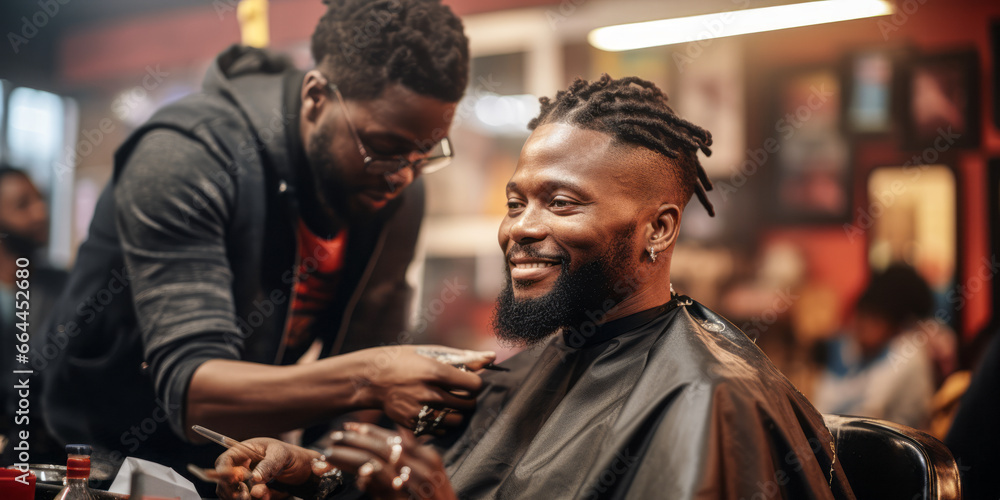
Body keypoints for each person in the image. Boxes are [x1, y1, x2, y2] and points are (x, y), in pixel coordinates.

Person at [213, 75, 856, 500]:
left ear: (658, 229)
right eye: (516, 202)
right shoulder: (540, 368)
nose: (521, 229)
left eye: (562, 203)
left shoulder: (708, 401)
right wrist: (315, 479)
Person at [39, 0, 493, 484]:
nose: (402, 175)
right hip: (92, 458)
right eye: (382, 148)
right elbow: (193, 392)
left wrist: (322, 477)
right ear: (316, 97)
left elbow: (364, 365)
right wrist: (373, 377)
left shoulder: (396, 188)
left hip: (229, 463)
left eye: (426, 152)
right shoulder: (186, 154)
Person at [812, 264, 938, 429]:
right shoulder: (860, 350)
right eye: (860, 318)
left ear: (894, 325)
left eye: (873, 320)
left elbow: (869, 411)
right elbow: (822, 406)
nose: (860, 329)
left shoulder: (907, 352)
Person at [0, 166, 68, 465]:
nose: (41, 212)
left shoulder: (64, 286)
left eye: (40, 200)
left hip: (46, 456)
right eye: (23, 204)